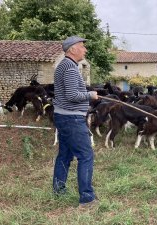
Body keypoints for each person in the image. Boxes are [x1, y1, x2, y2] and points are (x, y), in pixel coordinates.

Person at [52, 35, 98, 207]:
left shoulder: (64, 65)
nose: (85, 49)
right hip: (72, 118)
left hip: (63, 116)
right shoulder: (70, 68)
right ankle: (87, 199)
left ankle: (58, 190)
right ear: (72, 49)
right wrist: (90, 95)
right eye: (82, 46)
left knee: (64, 155)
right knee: (86, 156)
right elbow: (72, 96)